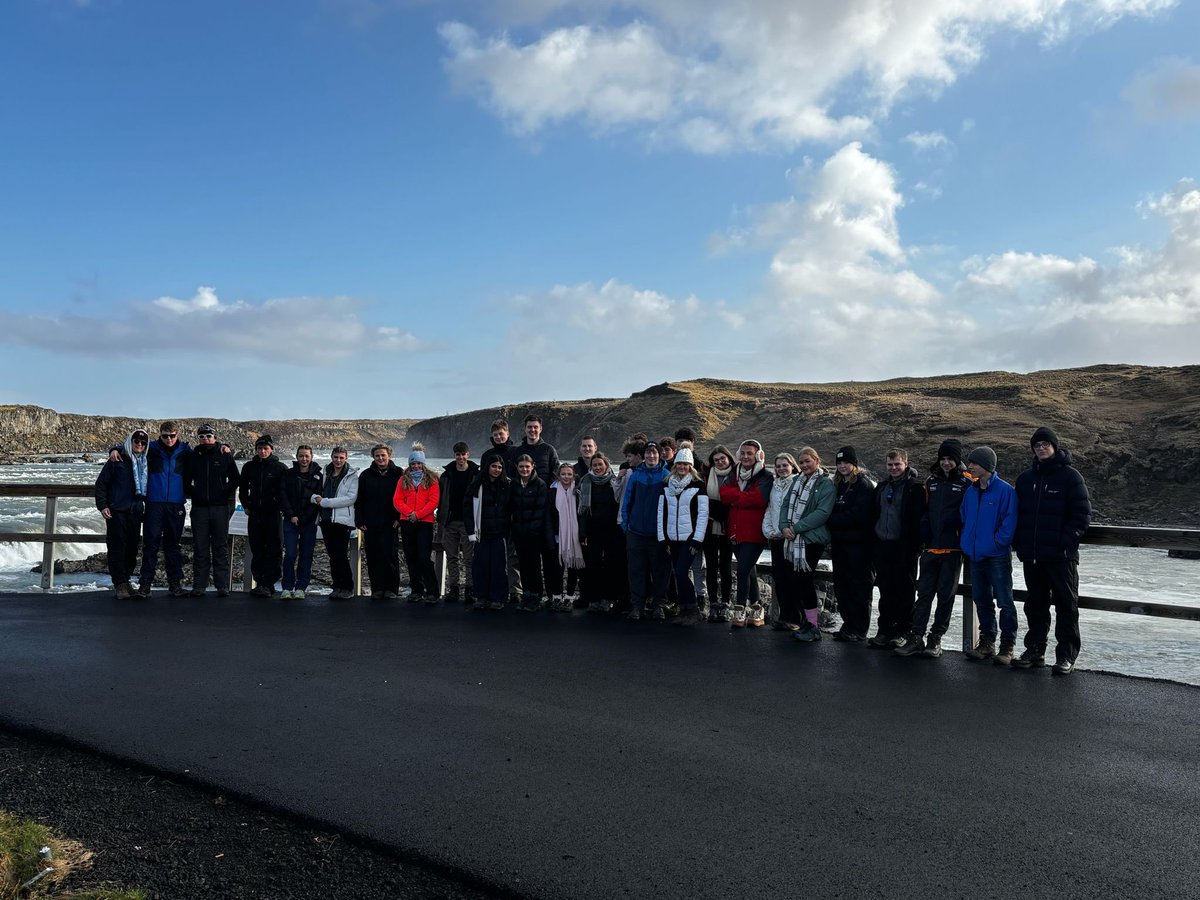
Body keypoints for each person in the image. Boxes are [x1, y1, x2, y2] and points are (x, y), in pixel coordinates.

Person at [1012, 427, 1092, 675]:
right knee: (1035, 605)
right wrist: (1020, 543)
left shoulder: (1070, 477)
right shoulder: (1026, 479)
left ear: (1055, 446)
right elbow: (1018, 515)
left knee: (1066, 605)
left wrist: (1065, 541)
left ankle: (1066, 656)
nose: (1041, 448)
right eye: (1037, 445)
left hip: (1061, 557)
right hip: (1033, 556)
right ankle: (1035, 650)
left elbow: (1082, 515)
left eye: (1045, 444)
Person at [895, 440, 971, 658]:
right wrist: (924, 524)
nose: (946, 463)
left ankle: (935, 638)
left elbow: (974, 511)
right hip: (931, 547)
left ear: (957, 460)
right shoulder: (931, 481)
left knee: (945, 596)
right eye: (943, 459)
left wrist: (959, 521)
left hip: (953, 549)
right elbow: (925, 508)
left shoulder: (968, 483)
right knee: (924, 593)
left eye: (950, 459)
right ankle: (916, 637)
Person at [959, 446, 1019, 664]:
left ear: (987, 466)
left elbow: (1009, 523)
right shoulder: (971, 491)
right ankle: (987, 643)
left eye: (974, 463)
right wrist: (968, 542)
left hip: (997, 556)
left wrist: (996, 544)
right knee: (981, 600)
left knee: (1004, 600)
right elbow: (965, 517)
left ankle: (1007, 646)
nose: (970, 467)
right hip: (976, 555)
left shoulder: (1005, 491)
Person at [868, 449, 926, 648]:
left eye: (897, 465)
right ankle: (884, 630)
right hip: (882, 546)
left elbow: (920, 520)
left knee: (905, 591)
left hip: (905, 548)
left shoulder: (915, 487)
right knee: (885, 591)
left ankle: (903, 631)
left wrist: (915, 547)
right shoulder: (882, 487)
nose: (893, 468)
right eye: (890, 465)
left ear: (906, 464)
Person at [784, 447, 835, 643]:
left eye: (808, 461)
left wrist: (795, 528)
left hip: (812, 539)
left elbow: (822, 513)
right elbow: (785, 504)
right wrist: (783, 527)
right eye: (802, 462)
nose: (804, 465)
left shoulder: (826, 484)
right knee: (798, 581)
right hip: (794, 538)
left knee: (804, 580)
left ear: (817, 460)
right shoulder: (797, 481)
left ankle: (814, 626)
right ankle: (807, 622)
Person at [719, 440, 773, 628]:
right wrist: (743, 498)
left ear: (758, 455)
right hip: (735, 530)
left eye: (750, 453)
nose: (745, 457)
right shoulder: (735, 473)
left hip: (754, 532)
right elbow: (723, 494)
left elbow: (759, 499)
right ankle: (757, 608)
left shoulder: (766, 476)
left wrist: (737, 498)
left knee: (742, 570)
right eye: (742, 453)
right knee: (748, 569)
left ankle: (740, 608)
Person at [136, 421, 192, 597]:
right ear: (160, 435)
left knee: (173, 546)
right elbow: (129, 446)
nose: (169, 439)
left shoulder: (185, 451)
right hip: (154, 504)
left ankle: (175, 585)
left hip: (176, 505)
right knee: (150, 545)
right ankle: (145, 586)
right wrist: (114, 450)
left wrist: (223, 447)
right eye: (165, 436)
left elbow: (205, 454)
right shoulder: (150, 448)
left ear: (178, 435)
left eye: (172, 436)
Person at [827, 447, 876, 642]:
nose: (842, 466)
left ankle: (859, 629)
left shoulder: (863, 484)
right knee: (842, 585)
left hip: (860, 546)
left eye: (846, 462)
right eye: (839, 463)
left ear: (854, 464)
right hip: (840, 544)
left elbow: (860, 514)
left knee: (860, 587)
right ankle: (848, 625)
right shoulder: (838, 484)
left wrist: (832, 519)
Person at [184, 424, 238, 597]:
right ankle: (199, 586)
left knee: (220, 547)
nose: (205, 439)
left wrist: (223, 492)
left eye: (208, 436)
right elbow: (186, 480)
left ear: (214, 437)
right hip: (199, 509)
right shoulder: (193, 457)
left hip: (220, 508)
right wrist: (195, 493)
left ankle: (222, 586)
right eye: (201, 436)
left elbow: (235, 478)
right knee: (200, 547)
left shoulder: (224, 455)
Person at [95, 429, 150, 599]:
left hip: (135, 512)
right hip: (117, 511)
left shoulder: (146, 461)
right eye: (136, 441)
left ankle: (126, 580)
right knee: (117, 548)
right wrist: (102, 506)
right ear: (130, 441)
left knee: (132, 548)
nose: (139, 444)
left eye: (143, 442)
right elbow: (101, 484)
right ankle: (119, 584)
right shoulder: (116, 460)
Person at [657, 447, 708, 626]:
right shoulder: (666, 484)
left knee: (680, 572)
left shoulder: (698, 485)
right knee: (678, 573)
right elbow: (661, 513)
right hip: (672, 538)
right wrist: (662, 538)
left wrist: (697, 539)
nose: (682, 467)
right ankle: (685, 609)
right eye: (679, 463)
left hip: (690, 538)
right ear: (675, 465)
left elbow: (703, 515)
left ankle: (692, 609)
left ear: (691, 466)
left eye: (685, 464)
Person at [620, 440, 670, 620]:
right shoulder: (635, 476)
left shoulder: (666, 476)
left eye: (654, 452)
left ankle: (658, 605)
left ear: (659, 454)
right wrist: (626, 525)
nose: (651, 456)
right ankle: (637, 606)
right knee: (636, 571)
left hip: (658, 534)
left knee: (660, 571)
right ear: (644, 456)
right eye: (648, 453)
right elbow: (627, 502)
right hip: (636, 533)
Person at [239, 434, 288, 597]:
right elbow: (243, 488)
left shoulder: (280, 467)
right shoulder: (249, 467)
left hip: (273, 514)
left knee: (274, 548)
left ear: (271, 449)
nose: (262, 451)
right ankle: (260, 582)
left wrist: (282, 507)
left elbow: (286, 491)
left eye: (265, 448)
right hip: (255, 514)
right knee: (257, 548)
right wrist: (246, 505)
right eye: (259, 448)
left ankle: (269, 583)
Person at [394, 444, 441, 603]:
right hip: (407, 522)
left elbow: (433, 501)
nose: (416, 466)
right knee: (411, 556)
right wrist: (409, 513)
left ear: (423, 463)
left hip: (425, 523)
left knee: (424, 557)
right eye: (413, 463)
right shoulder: (403, 479)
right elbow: (397, 500)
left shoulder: (432, 479)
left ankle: (432, 591)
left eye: (418, 463)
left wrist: (418, 515)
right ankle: (416, 590)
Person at [355, 444, 403, 599]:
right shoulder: (366, 475)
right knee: (373, 556)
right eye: (377, 456)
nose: (380, 458)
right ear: (373, 457)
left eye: (383, 455)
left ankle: (392, 589)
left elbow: (404, 497)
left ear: (389, 455)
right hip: (370, 522)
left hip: (390, 522)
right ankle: (377, 588)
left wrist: (399, 517)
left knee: (390, 555)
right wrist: (359, 519)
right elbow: (360, 499)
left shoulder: (398, 474)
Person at [465, 457, 512, 611]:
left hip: (500, 532)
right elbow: (468, 510)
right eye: (494, 466)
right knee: (481, 566)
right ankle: (481, 596)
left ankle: (498, 598)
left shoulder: (507, 485)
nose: (497, 470)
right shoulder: (476, 485)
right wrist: (471, 531)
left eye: (499, 467)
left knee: (499, 567)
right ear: (487, 467)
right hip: (481, 532)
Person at [312, 447, 359, 599]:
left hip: (342, 521)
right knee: (333, 556)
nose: (338, 460)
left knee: (340, 555)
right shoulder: (325, 473)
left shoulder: (352, 476)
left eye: (341, 457)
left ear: (346, 458)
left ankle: (347, 587)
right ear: (331, 457)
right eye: (336, 457)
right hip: (326, 520)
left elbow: (350, 498)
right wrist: (314, 498)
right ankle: (336, 586)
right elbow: (315, 490)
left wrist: (325, 502)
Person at [481, 418, 520, 600]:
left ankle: (515, 590)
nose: (498, 437)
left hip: (511, 507)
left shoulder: (516, 452)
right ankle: (494, 591)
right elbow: (481, 480)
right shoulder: (487, 455)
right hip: (491, 511)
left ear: (507, 433)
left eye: (501, 433)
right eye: (495, 434)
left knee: (512, 554)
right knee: (493, 556)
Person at [436, 442, 479, 603]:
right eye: (457, 454)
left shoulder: (476, 473)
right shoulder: (446, 475)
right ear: (454, 455)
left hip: (469, 522)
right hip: (450, 521)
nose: (460, 457)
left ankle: (470, 589)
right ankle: (453, 588)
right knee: (452, 557)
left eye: (463, 454)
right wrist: (441, 518)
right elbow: (440, 498)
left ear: (468, 454)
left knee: (470, 558)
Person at [578, 452, 621, 612]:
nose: (597, 468)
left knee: (610, 565)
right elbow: (582, 511)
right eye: (594, 465)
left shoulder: (614, 482)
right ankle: (593, 599)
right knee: (593, 565)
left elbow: (618, 507)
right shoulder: (585, 481)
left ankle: (608, 598)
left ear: (606, 466)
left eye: (600, 465)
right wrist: (582, 533)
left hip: (611, 530)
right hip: (592, 530)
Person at [279, 445, 323, 600]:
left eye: (307, 456)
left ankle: (301, 587)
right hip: (291, 521)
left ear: (311, 457)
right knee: (290, 554)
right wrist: (291, 515)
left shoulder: (318, 476)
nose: (304, 459)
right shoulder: (288, 474)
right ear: (296, 457)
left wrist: (304, 518)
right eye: (301, 456)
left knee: (306, 555)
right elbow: (282, 495)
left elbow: (318, 499)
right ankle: (286, 587)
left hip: (309, 522)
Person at [509, 453, 551, 611]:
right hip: (518, 533)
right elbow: (510, 507)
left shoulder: (540, 484)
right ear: (517, 468)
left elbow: (540, 511)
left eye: (527, 466)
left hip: (534, 534)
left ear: (533, 466)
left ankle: (536, 597)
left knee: (533, 566)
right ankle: (526, 595)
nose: (524, 469)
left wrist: (531, 531)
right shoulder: (514, 484)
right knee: (523, 566)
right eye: (521, 467)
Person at [762, 453, 800, 629]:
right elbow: (770, 510)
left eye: (785, 465)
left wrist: (789, 530)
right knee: (780, 577)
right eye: (778, 466)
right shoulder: (775, 486)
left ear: (792, 466)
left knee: (793, 578)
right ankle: (784, 616)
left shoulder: (798, 483)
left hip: (793, 537)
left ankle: (795, 619)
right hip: (776, 538)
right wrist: (769, 530)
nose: (781, 468)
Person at [546, 463, 585, 611]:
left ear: (573, 475)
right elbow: (548, 515)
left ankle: (569, 597)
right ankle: (556, 596)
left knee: (573, 569)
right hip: (558, 535)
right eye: (563, 474)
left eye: (569, 474)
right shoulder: (552, 491)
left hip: (574, 536)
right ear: (558, 475)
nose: (566, 477)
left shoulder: (578, 490)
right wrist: (550, 535)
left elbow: (582, 514)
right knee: (558, 568)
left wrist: (582, 534)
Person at [703, 445, 735, 622]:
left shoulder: (736, 476)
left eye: (723, 458)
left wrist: (716, 509)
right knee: (711, 566)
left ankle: (726, 603)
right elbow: (702, 500)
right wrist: (719, 509)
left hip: (728, 528)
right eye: (716, 460)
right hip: (709, 528)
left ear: (729, 458)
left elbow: (733, 501)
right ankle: (713, 603)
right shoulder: (707, 476)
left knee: (726, 566)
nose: (720, 462)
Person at [507, 414, 561, 483]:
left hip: (544, 492)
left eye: (535, 427)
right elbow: (511, 475)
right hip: (522, 492)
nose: (532, 430)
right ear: (525, 429)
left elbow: (556, 474)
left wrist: (548, 491)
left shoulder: (549, 450)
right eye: (529, 427)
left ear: (540, 429)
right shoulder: (517, 451)